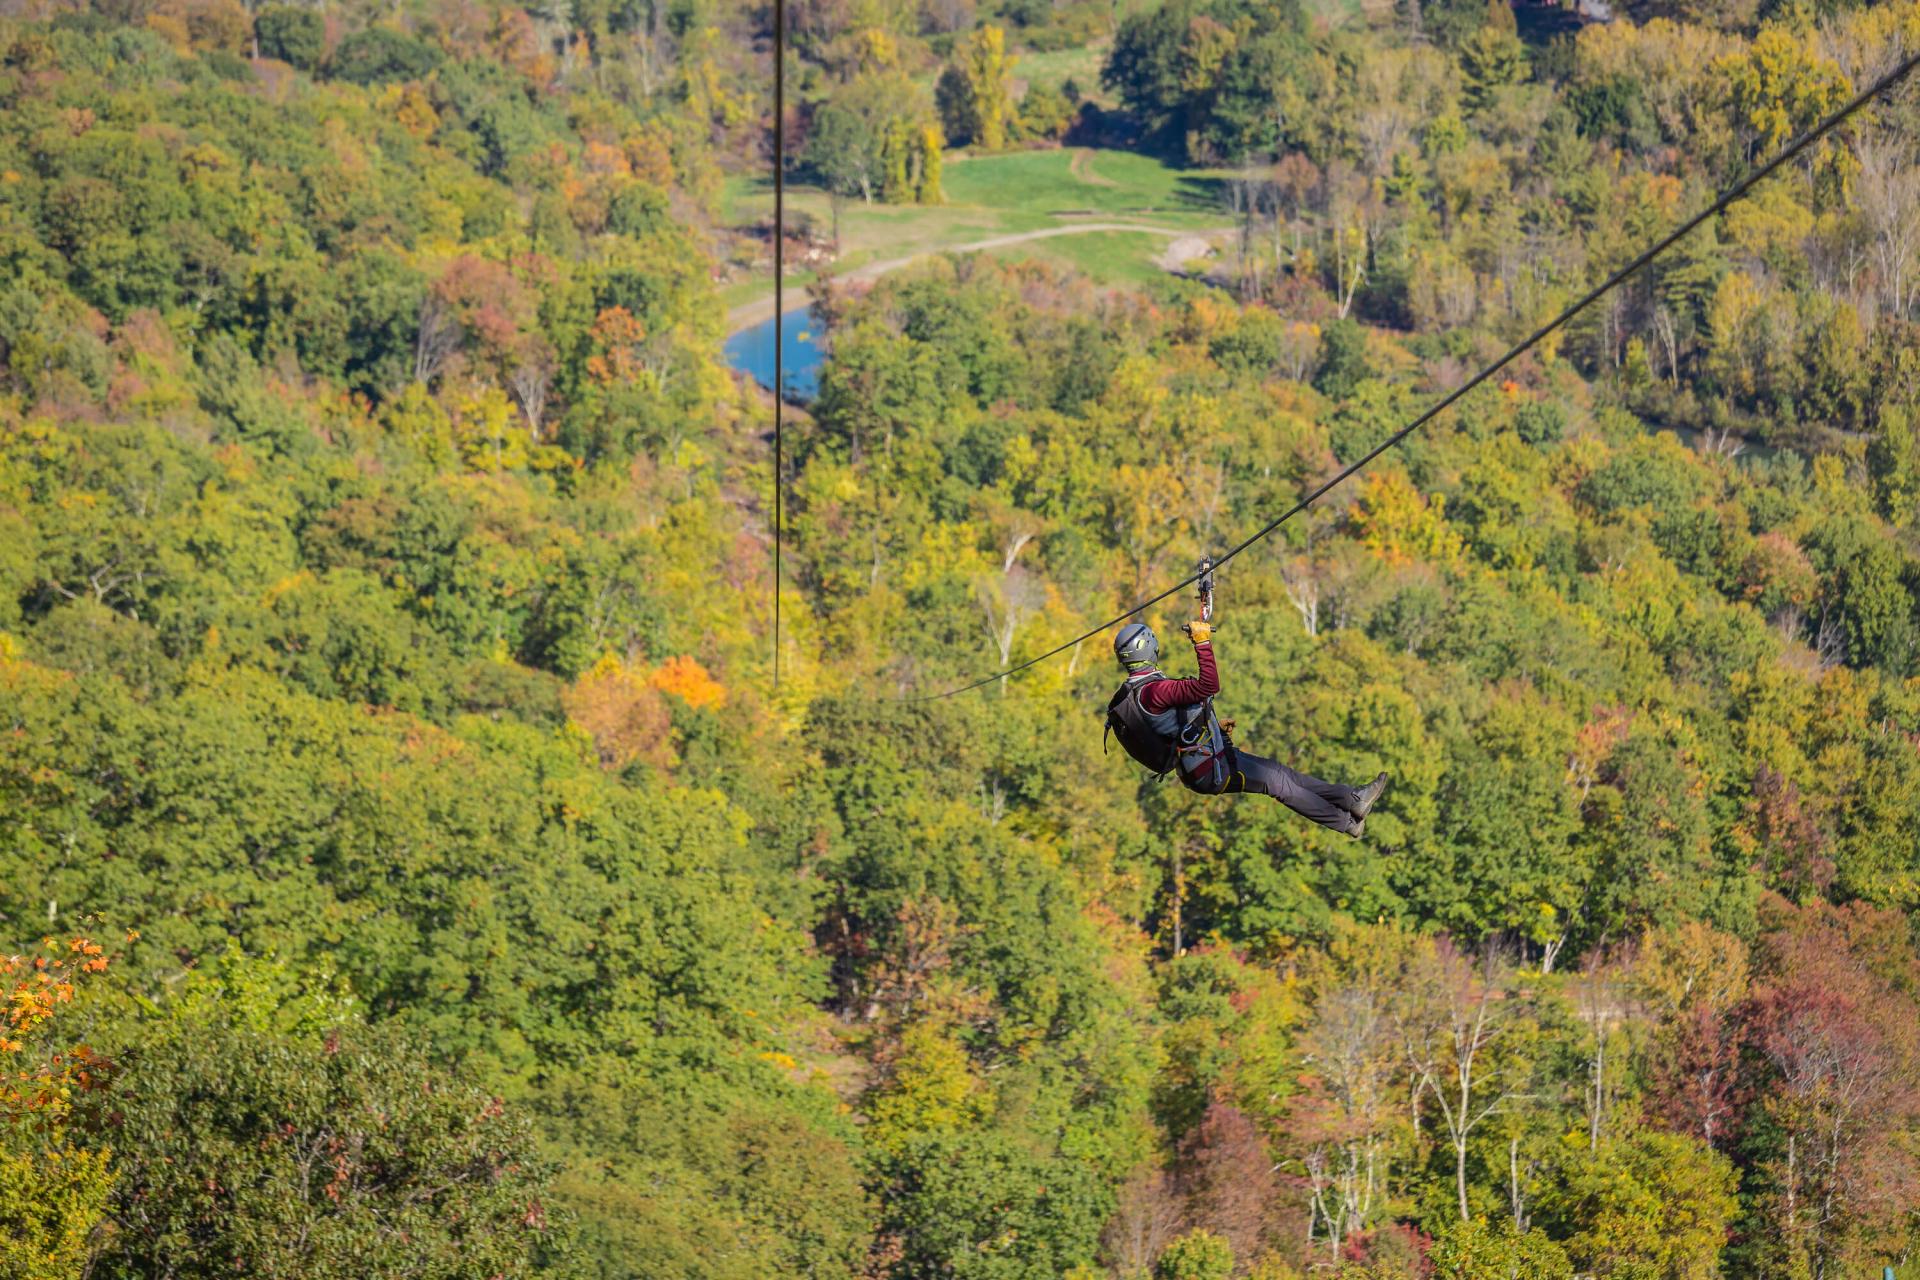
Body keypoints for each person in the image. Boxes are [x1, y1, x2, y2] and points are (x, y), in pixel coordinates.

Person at [1105, 617, 1388, 837]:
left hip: (1206, 761)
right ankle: (1346, 822)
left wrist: (1212, 727)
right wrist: (1202, 643)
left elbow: (1173, 725)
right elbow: (1208, 686)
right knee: (1279, 785)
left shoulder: (1139, 691)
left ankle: (1352, 799)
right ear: (1149, 648)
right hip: (1209, 770)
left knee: (1279, 773)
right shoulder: (1155, 692)